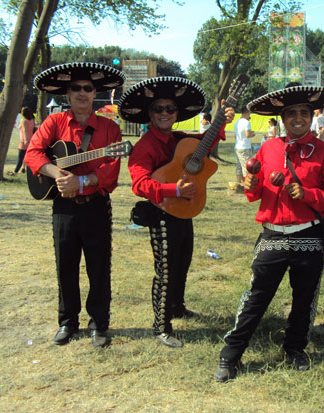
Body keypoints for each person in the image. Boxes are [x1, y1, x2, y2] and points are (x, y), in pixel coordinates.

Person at [214, 83, 324, 382]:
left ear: (312, 116)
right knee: (255, 296)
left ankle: (295, 348)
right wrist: (251, 186)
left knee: (304, 298)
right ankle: (230, 355)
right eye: (290, 114)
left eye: (303, 112)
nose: (297, 118)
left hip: (309, 236)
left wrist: (307, 194)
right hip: (272, 234)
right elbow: (257, 188)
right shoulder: (269, 147)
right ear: (282, 118)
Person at [120, 77, 235, 348]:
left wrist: (223, 119)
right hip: (161, 212)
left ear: (176, 114)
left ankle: (177, 307)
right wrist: (174, 189)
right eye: (158, 108)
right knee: (165, 268)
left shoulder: (181, 140)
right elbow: (139, 184)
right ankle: (161, 325)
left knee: (182, 262)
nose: (164, 113)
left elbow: (206, 140)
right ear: (150, 114)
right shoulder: (145, 146)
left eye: (169, 109)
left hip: (185, 210)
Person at [25, 62, 125, 348]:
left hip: (96, 206)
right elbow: (33, 154)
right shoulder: (54, 123)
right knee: (65, 265)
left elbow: (111, 170)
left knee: (98, 266)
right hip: (64, 208)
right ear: (68, 93)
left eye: (88, 88)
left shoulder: (110, 129)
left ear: (96, 94)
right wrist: (57, 174)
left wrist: (81, 183)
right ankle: (67, 322)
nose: (82, 93)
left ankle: (99, 324)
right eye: (76, 88)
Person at [8, 106, 35, 175]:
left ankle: (15, 171)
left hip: (24, 141)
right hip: (31, 140)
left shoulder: (24, 121)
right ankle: (23, 169)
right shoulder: (31, 119)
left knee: (20, 157)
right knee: (26, 156)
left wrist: (25, 140)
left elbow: (25, 131)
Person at [234, 107, 255, 184]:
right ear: (247, 112)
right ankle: (247, 185)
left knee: (238, 167)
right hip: (245, 147)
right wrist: (253, 134)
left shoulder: (236, 122)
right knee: (246, 167)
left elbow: (235, 136)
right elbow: (247, 134)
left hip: (237, 147)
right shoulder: (246, 122)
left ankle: (240, 183)